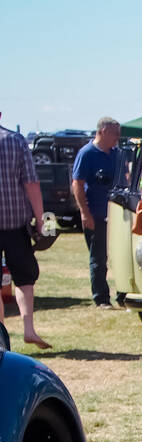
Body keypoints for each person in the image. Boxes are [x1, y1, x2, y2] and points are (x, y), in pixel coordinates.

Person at [0, 110, 49, 348]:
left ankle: (0, 337)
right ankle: (28, 329)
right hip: (14, 224)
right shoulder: (15, 141)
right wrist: (40, 220)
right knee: (24, 279)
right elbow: (31, 182)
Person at [70, 116, 121, 308]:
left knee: (120, 256)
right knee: (98, 258)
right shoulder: (87, 154)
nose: (117, 137)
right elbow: (78, 184)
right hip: (96, 215)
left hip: (116, 215)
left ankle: (123, 294)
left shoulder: (116, 154)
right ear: (102, 132)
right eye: (114, 133)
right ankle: (101, 297)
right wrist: (85, 213)